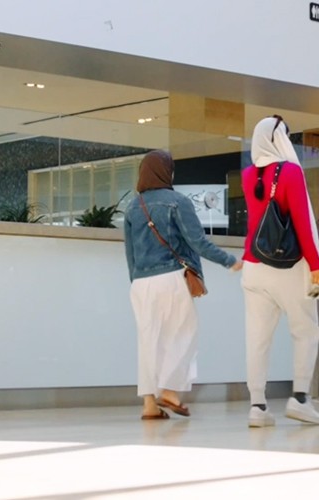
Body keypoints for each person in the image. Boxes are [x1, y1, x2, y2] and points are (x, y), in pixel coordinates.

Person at [123, 150, 241, 420]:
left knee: (148, 342)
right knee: (182, 334)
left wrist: (136, 283)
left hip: (140, 283)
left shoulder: (133, 206)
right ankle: (170, 391)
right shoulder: (178, 202)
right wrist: (229, 260)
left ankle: (149, 405)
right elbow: (197, 242)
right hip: (171, 278)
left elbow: (130, 253)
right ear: (167, 172)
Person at [241, 115, 319, 427]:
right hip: (288, 267)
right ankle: (300, 399)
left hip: (253, 267)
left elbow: (258, 218)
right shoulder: (291, 171)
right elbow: (302, 221)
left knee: (257, 338)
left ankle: (257, 406)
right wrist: (316, 264)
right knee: (306, 330)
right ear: (280, 139)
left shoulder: (248, 174)